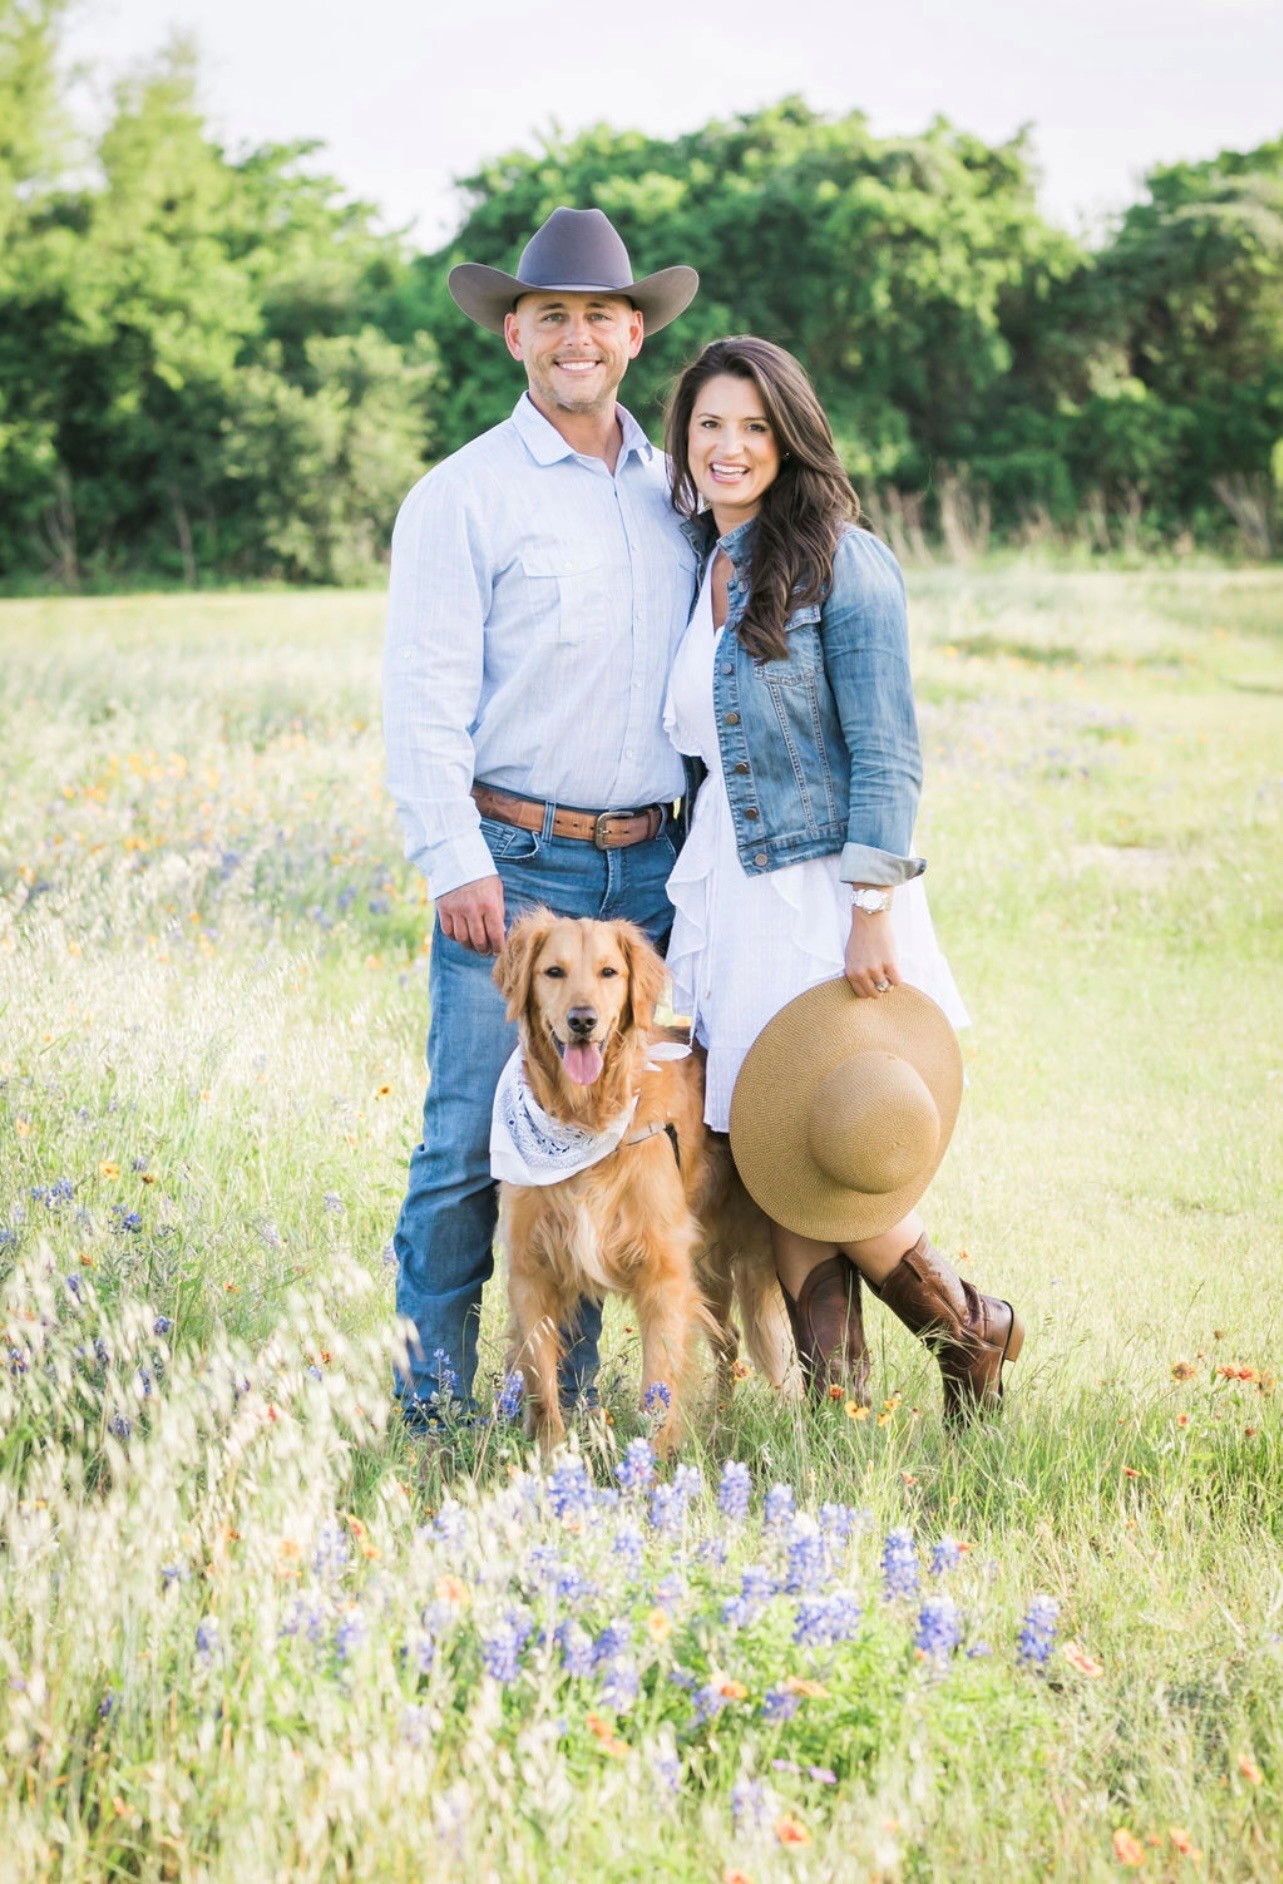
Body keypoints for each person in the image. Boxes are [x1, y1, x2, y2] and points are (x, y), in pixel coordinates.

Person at [661, 335, 1021, 1416]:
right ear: (684, 439)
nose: (729, 448)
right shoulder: (706, 563)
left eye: (753, 427)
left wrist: (872, 909)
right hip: (729, 887)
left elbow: (887, 749)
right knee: (776, 1149)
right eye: (710, 426)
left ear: (790, 438)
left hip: (818, 894)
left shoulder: (840, 559)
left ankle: (969, 1329)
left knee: (825, 1131)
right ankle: (840, 1405)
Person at [383, 207, 700, 1424]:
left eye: (599, 317)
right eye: (550, 315)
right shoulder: (462, 497)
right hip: (508, 862)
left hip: (650, 871)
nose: (577, 337)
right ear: (514, 331)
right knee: (473, 1140)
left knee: (623, 1146)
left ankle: (550, 1406)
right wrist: (451, 858)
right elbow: (419, 694)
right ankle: (432, 1407)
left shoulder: (674, 493)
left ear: (633, 335)